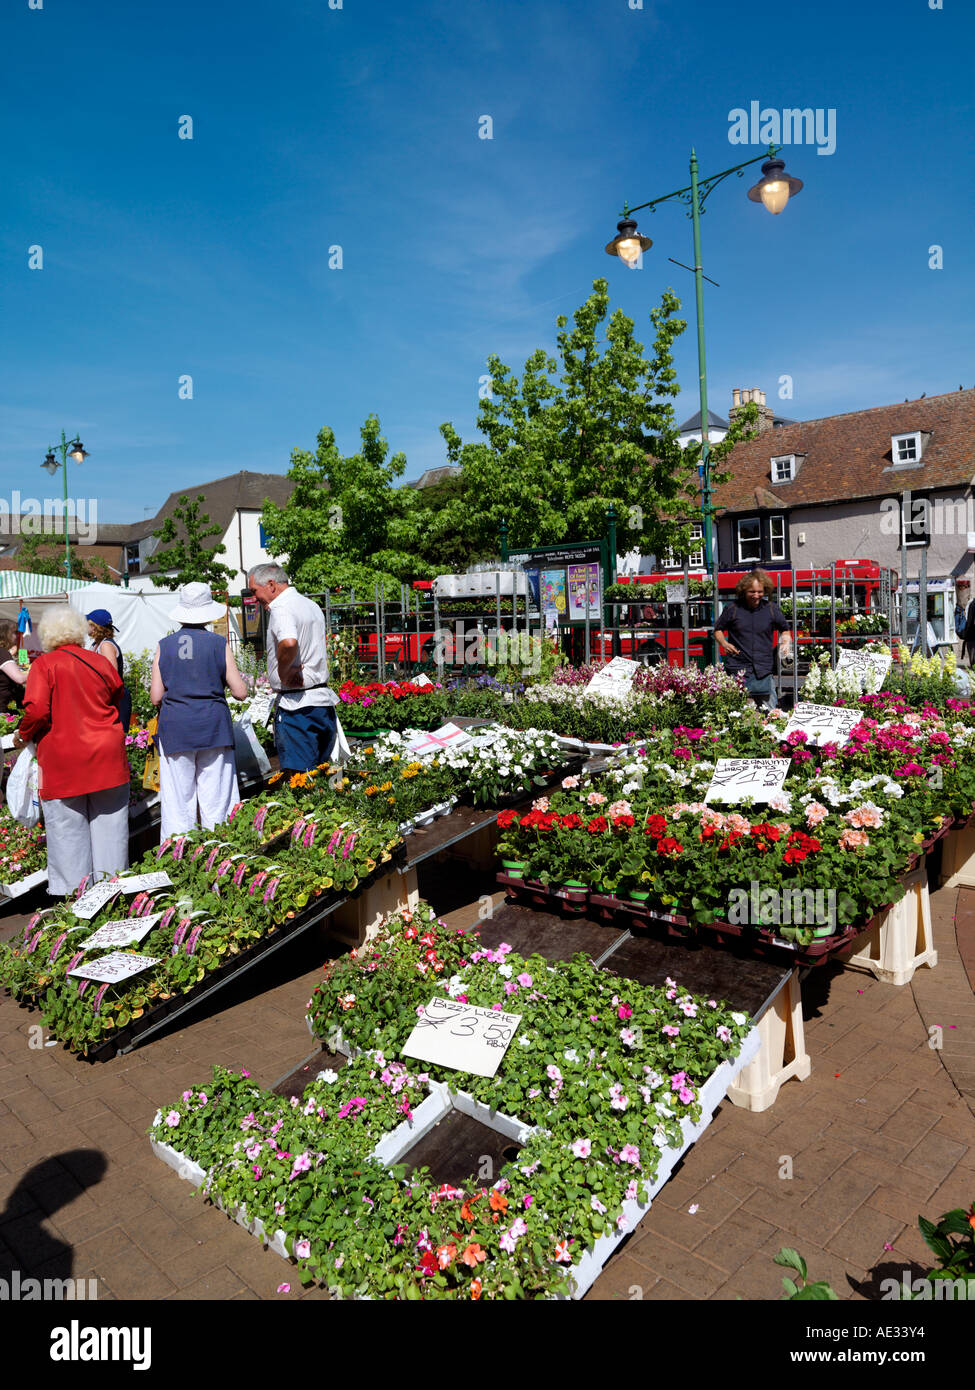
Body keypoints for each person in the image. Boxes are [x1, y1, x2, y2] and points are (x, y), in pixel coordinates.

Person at [14, 607, 129, 896]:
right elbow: (117, 692)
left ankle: (76, 900)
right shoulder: (99, 660)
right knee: (111, 831)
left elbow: (38, 710)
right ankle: (113, 893)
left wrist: (22, 734)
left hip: (64, 759)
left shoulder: (44, 665)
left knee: (67, 833)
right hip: (106, 754)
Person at [150, 582, 249, 840]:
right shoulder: (218, 643)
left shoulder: (164, 644)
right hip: (213, 727)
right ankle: (221, 853)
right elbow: (240, 692)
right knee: (217, 797)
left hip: (175, 728)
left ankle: (178, 856)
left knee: (177, 801)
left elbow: (155, 697)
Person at [247, 563, 338, 777]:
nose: (254, 598)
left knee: (300, 779)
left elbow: (288, 643)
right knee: (322, 774)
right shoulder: (310, 605)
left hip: (296, 706)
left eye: (254, 591)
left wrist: (284, 671)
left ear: (271, 585)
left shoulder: (281, 609)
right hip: (321, 702)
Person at [714, 570, 793, 709]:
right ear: (743, 590)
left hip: (763, 669)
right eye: (752, 591)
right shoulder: (732, 609)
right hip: (738, 668)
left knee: (771, 713)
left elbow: (785, 629)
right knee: (734, 712)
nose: (756, 595)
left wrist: (785, 642)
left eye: (760, 591)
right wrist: (724, 643)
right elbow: (717, 629)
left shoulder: (771, 609)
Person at [86, 608, 133, 731]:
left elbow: (111, 677)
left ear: (94, 626)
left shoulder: (106, 646)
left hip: (115, 699)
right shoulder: (95, 644)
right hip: (106, 698)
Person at [0, 621, 28, 709]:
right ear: (5, 634)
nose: (17, 636)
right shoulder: (2, 653)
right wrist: (39, 671)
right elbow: (19, 678)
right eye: (14, 633)